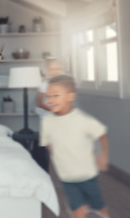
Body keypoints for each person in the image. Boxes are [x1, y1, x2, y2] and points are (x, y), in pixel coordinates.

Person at [40, 75, 110, 218]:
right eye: (48, 96)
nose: (51, 100)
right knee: (77, 210)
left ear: (70, 96)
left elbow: (101, 135)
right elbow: (47, 142)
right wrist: (55, 150)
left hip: (87, 174)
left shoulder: (82, 120)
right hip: (66, 177)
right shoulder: (46, 121)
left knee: (98, 205)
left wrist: (103, 155)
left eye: (56, 95)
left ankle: (102, 210)